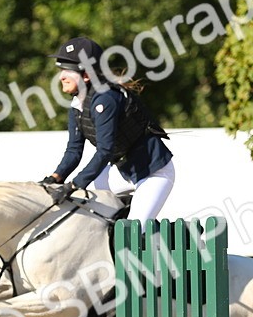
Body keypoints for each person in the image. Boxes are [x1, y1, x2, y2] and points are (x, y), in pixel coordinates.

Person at [40, 37, 174, 222]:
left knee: (133, 230)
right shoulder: (77, 105)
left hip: (152, 173)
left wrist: (74, 185)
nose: (62, 76)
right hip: (121, 171)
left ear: (86, 75)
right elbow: (73, 151)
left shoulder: (105, 99)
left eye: (68, 71)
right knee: (97, 220)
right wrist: (54, 178)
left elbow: (105, 150)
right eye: (61, 70)